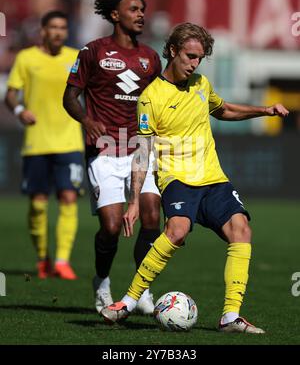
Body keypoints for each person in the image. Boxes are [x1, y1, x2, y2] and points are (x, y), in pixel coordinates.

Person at [101, 22, 289, 333]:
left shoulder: (201, 84)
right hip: (177, 178)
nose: (195, 63)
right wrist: (134, 200)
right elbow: (143, 150)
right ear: (173, 51)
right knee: (177, 229)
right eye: (190, 56)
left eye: (200, 58)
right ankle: (129, 301)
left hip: (213, 178)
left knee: (241, 229)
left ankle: (230, 317)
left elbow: (223, 110)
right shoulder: (151, 98)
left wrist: (265, 110)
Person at [63, 0, 161, 315]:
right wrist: (87, 121)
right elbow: (70, 97)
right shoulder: (92, 52)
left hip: (139, 149)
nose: (141, 14)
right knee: (111, 226)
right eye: (133, 9)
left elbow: (158, 103)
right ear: (114, 14)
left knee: (151, 216)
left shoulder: (151, 58)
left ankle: (141, 288)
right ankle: (102, 282)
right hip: (104, 150)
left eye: (142, 9)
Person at [5, 11, 84, 280]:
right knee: (38, 204)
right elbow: (11, 94)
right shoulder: (27, 58)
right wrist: (19, 112)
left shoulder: (76, 57)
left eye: (63, 27)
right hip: (37, 142)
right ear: (43, 30)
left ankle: (62, 261)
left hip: (70, 141)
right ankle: (42, 258)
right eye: (53, 27)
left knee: (69, 197)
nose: (58, 32)